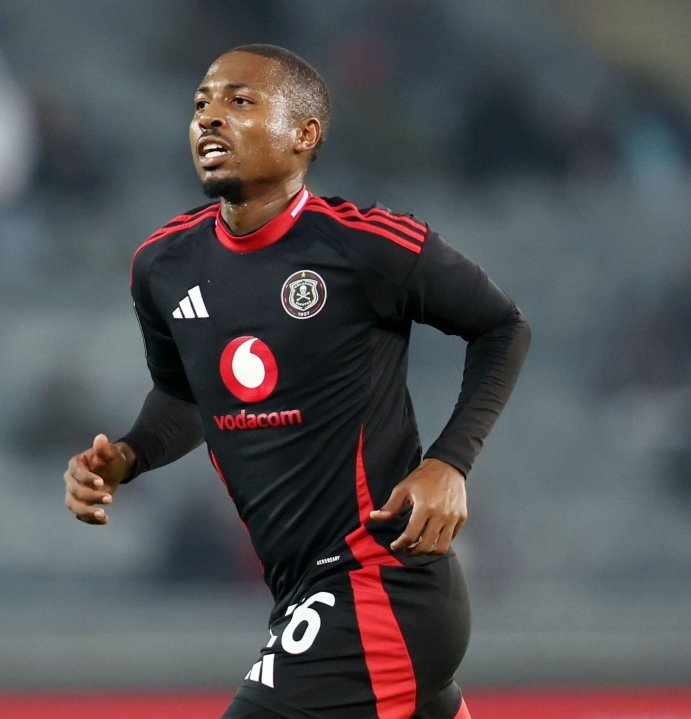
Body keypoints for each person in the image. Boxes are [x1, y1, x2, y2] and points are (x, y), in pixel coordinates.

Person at [62, 44, 530, 719]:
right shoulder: (163, 266)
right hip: (302, 591)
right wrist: (130, 454)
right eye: (201, 104)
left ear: (303, 134)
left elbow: (503, 326)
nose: (210, 118)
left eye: (239, 101)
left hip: (381, 581)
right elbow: (186, 396)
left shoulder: (364, 245)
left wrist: (449, 463)